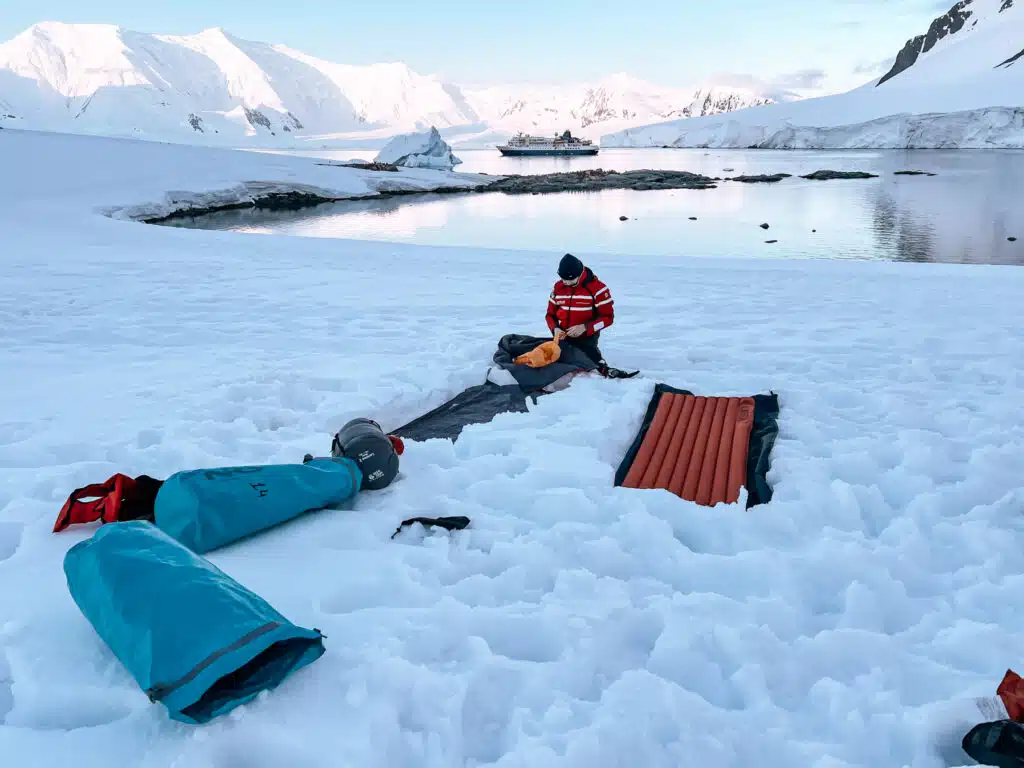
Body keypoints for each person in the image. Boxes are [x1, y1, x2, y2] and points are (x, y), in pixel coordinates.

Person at [545, 253, 614, 373]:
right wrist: (555, 328)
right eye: (563, 278)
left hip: (586, 339)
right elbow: (550, 315)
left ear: (580, 274)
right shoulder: (558, 287)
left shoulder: (598, 289)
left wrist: (585, 328)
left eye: (570, 279)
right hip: (562, 337)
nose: (566, 282)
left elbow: (608, 318)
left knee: (591, 367)